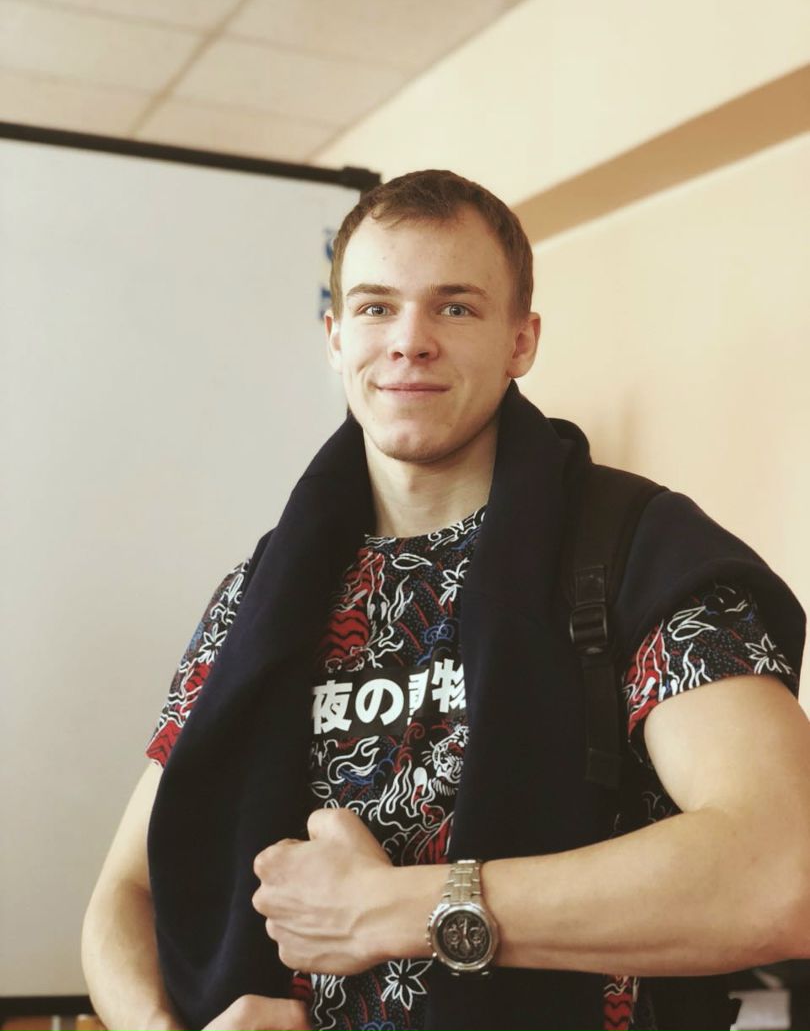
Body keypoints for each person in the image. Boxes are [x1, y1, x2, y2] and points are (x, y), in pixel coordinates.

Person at [82, 170, 810, 1031]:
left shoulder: (634, 551)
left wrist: (400, 909)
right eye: (375, 307)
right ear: (335, 337)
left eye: (455, 307)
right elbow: (124, 893)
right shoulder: (257, 596)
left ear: (521, 340)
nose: (410, 342)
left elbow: (782, 870)